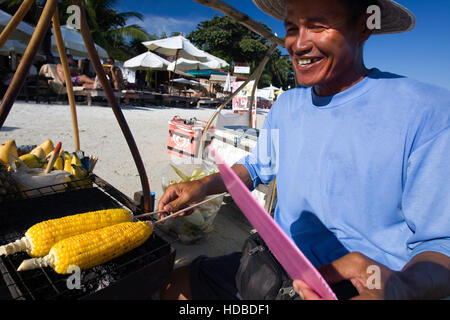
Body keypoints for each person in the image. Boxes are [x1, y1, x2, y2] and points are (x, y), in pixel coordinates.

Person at [159, 0, 450, 300]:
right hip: (277, 263)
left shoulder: (427, 113)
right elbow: (257, 167)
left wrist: (403, 288)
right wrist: (203, 186)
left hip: (357, 287)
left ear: (364, 26)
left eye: (318, 26)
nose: (298, 44)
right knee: (176, 286)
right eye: (291, 28)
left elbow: (442, 245)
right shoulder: (287, 106)